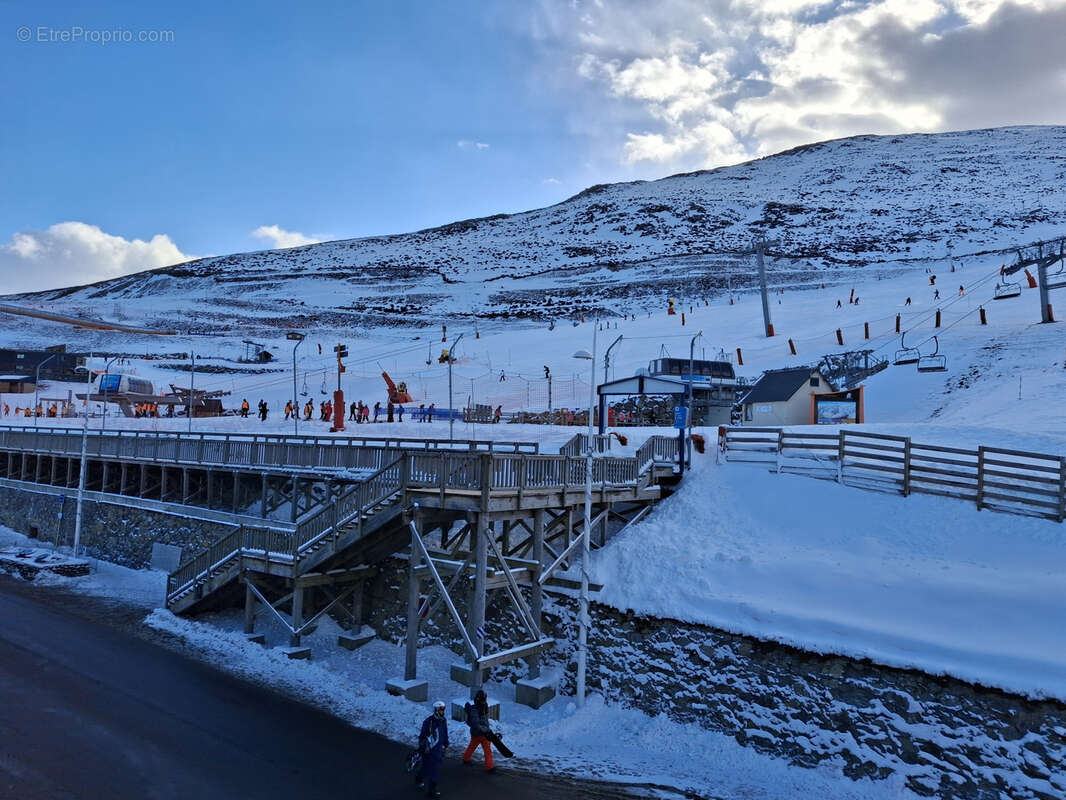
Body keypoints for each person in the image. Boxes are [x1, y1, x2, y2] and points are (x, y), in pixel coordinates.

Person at [415, 701, 449, 798]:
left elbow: (445, 733)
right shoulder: (428, 722)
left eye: (443, 709)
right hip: (429, 750)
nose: (443, 712)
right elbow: (422, 736)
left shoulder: (443, 720)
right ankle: (431, 790)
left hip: (438, 750)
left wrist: (446, 744)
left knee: (434, 769)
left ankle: (420, 779)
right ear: (436, 710)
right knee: (429, 768)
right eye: (441, 709)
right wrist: (423, 745)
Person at [462, 690, 496, 773]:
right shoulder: (475, 710)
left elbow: (483, 720)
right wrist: (486, 730)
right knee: (487, 751)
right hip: (481, 734)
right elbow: (476, 725)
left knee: (472, 746)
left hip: (477, 734)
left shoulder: (482, 707)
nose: (485, 701)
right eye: (483, 699)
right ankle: (490, 767)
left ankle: (466, 759)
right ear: (479, 699)